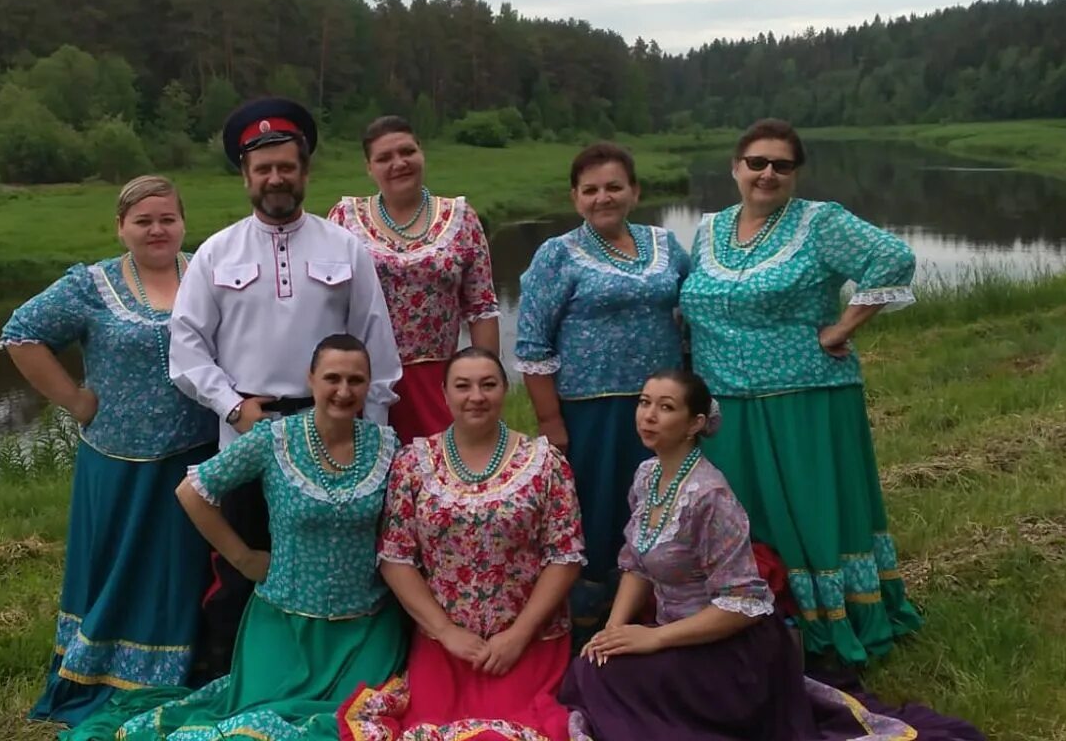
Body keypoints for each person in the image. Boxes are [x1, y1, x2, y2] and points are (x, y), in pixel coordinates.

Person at [564, 370, 982, 741]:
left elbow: (742, 604)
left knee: (605, 682)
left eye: (665, 407)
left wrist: (653, 638)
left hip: (730, 651)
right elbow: (636, 563)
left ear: (694, 424)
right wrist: (613, 631)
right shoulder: (648, 475)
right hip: (675, 635)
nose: (648, 415)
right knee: (593, 667)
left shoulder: (709, 496)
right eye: (644, 402)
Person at [67, 335, 408, 741]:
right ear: (311, 379)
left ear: (369, 384)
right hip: (285, 627)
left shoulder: (386, 447)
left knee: (355, 722)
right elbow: (191, 492)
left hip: (366, 628)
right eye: (332, 377)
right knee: (261, 726)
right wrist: (243, 558)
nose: (344, 390)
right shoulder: (274, 440)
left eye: (356, 380)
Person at [169, 96, 402, 676]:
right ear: (246, 176)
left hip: (336, 435)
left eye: (286, 167)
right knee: (243, 568)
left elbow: (378, 349)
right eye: (263, 169)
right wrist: (231, 407)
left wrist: (371, 444)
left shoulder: (345, 249)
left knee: (342, 564)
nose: (276, 178)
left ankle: (341, 675)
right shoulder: (216, 253)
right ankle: (229, 679)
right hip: (251, 433)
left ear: (304, 171)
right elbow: (186, 349)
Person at [679, 118, 921, 665]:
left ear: (795, 173)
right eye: (757, 162)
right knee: (741, 516)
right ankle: (747, 620)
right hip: (725, 408)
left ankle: (826, 620)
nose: (768, 173)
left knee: (807, 513)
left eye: (781, 165)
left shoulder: (820, 222)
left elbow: (893, 258)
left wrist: (841, 329)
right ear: (735, 168)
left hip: (803, 399)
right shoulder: (709, 227)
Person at [0, 176, 218, 727]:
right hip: (120, 466)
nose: (157, 230)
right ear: (121, 227)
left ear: (183, 222)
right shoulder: (90, 286)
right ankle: (107, 671)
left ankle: (191, 666)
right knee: (124, 571)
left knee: (188, 573)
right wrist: (74, 400)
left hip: (201, 456)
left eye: (167, 218)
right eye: (143, 221)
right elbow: (21, 333)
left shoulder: (210, 272)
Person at [342, 347, 583, 741]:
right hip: (446, 645)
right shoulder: (413, 463)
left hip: (528, 642)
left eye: (488, 385)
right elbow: (395, 558)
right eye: (463, 386)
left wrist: (518, 635)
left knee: (522, 730)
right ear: (444, 393)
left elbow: (566, 557)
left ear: (505, 390)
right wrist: (445, 631)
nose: (476, 396)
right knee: (429, 729)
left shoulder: (545, 462)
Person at [513, 142, 689, 641]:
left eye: (613, 186)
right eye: (590, 190)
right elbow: (531, 343)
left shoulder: (666, 245)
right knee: (598, 510)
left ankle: (658, 615)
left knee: (659, 506)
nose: (602, 197)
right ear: (575, 198)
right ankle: (590, 624)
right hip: (592, 413)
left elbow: (693, 309)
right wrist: (551, 421)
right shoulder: (557, 254)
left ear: (634, 191)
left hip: (662, 409)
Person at [329, 116, 501, 441]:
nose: (399, 163)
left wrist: (486, 381)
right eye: (384, 158)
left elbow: (481, 309)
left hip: (439, 382)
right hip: (362, 383)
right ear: (369, 168)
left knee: (445, 477)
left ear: (421, 153)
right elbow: (328, 306)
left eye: (407, 151)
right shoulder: (345, 218)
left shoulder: (461, 219)